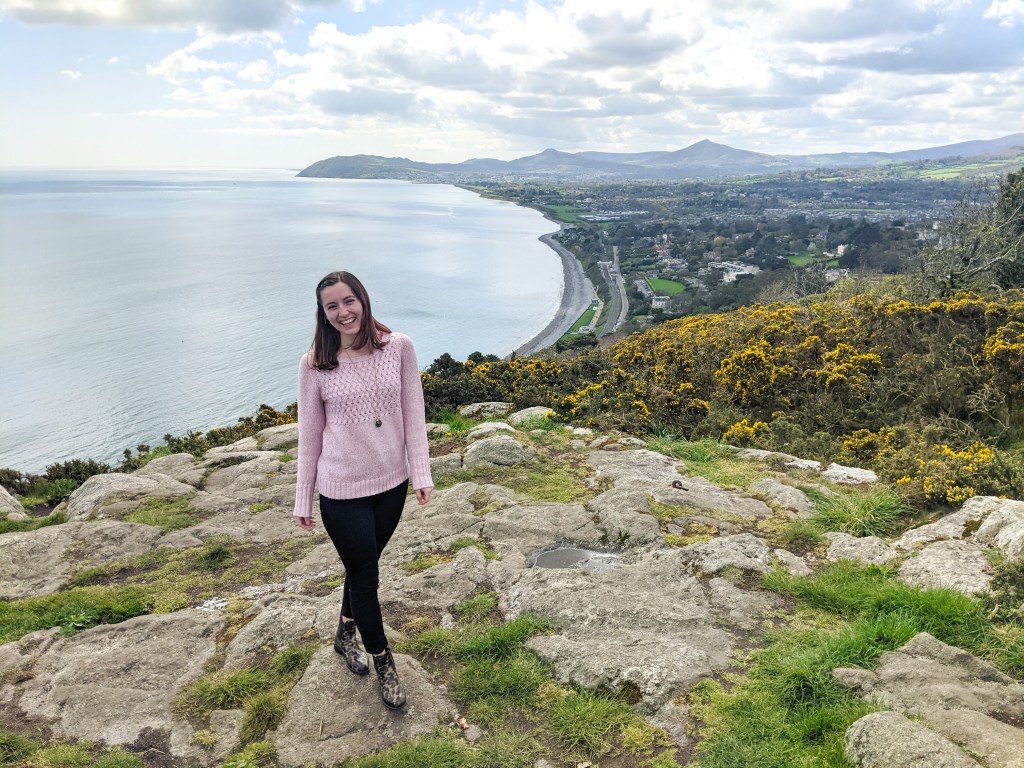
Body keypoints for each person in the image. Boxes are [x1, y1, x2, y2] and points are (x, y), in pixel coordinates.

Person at [293, 270, 433, 710]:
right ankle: (383, 661)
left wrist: (421, 473)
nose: (343, 312)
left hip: (392, 484)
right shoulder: (315, 364)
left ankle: (344, 633)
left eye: (348, 300)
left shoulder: (399, 348)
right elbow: (308, 438)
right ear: (323, 313)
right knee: (367, 579)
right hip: (341, 491)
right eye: (332, 306)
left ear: (363, 299)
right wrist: (303, 496)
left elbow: (414, 413)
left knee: (360, 569)